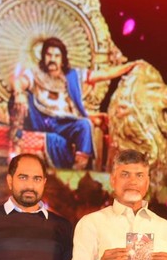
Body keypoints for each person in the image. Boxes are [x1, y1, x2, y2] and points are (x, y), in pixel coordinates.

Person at [12, 37, 139, 170]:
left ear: (62, 59)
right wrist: (19, 95)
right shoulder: (34, 73)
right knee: (28, 99)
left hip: (65, 123)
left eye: (57, 56)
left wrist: (129, 67)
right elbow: (18, 82)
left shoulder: (73, 76)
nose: (52, 59)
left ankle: (78, 168)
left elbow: (104, 74)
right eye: (49, 55)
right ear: (43, 56)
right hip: (43, 120)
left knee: (85, 124)